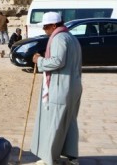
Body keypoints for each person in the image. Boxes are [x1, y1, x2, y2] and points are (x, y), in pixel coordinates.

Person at [30, 11, 82, 165]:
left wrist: (39, 60)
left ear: (54, 25)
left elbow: (58, 61)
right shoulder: (71, 38)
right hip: (73, 85)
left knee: (54, 121)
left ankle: (49, 159)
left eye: (46, 27)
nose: (44, 31)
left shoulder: (59, 38)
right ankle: (72, 157)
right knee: (69, 121)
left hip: (61, 87)